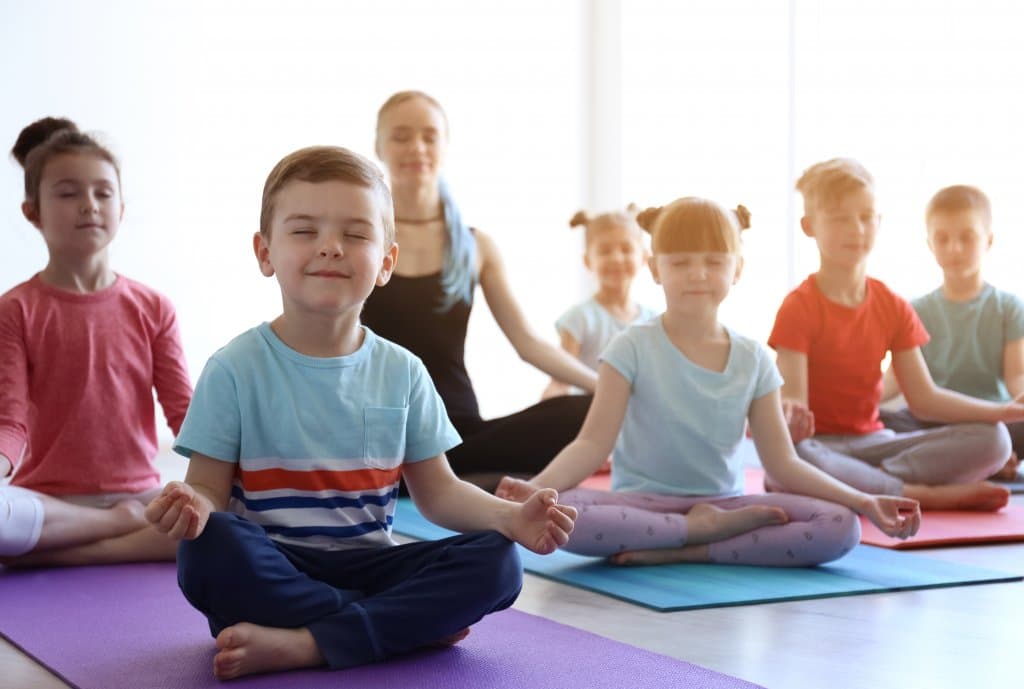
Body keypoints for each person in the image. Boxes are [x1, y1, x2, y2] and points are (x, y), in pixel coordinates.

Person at [145, 145, 577, 680]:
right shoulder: (233, 368)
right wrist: (191, 504)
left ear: (386, 261)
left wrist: (511, 518)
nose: (331, 248)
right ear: (265, 252)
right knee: (209, 549)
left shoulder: (405, 371)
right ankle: (391, 629)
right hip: (275, 564)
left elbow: (438, 494)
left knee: (499, 562)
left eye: (355, 234)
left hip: (374, 564)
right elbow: (208, 491)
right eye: (305, 231)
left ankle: (309, 643)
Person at [497, 197, 920, 567]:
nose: (697, 274)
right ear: (655, 269)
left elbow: (782, 463)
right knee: (565, 513)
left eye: (714, 262)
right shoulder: (630, 347)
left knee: (842, 527)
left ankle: (690, 546)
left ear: (737, 269)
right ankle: (693, 531)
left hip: (728, 504)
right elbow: (591, 445)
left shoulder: (753, 358)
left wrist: (863, 501)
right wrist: (537, 490)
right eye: (680, 262)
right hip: (641, 504)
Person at [362, 91, 596, 484]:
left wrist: (611, 389)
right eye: (401, 136)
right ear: (378, 146)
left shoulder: (476, 246)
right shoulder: (360, 237)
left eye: (429, 136)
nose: (416, 147)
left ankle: (441, 479)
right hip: (376, 433)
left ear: (444, 145)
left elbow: (527, 342)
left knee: (587, 411)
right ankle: (443, 480)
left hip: (457, 433)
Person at [770, 159, 1023, 512]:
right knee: (788, 459)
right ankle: (921, 494)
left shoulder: (892, 304)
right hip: (820, 445)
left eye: (865, 216)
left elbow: (924, 399)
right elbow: (793, 403)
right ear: (809, 226)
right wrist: (786, 416)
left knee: (994, 439)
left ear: (879, 222)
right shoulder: (799, 306)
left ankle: (872, 485)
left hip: (877, 443)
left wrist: (1004, 411)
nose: (855, 229)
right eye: (840, 218)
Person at [0, 117, 191, 566]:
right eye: (68, 193)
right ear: (33, 212)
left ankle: (60, 557)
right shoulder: (15, 310)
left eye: (103, 193)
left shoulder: (153, 307)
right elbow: (11, 424)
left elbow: (185, 413)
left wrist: (225, 480)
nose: (89, 205)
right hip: (51, 505)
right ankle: (115, 531)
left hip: (142, 497)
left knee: (237, 520)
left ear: (120, 208)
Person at [879, 185, 1023, 481]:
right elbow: (894, 383)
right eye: (942, 239)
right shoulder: (912, 310)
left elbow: (1016, 379)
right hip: (932, 423)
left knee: (1010, 428)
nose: (954, 249)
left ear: (989, 240)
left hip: (991, 420)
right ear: (930, 244)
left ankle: (975, 462)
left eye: (966, 238)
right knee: (880, 423)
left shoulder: (1009, 308)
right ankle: (986, 464)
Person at [541, 205, 657, 399]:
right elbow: (560, 381)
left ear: (644, 257)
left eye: (626, 249)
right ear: (588, 260)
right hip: (590, 411)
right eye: (604, 251)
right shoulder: (578, 319)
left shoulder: (654, 321)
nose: (616, 258)